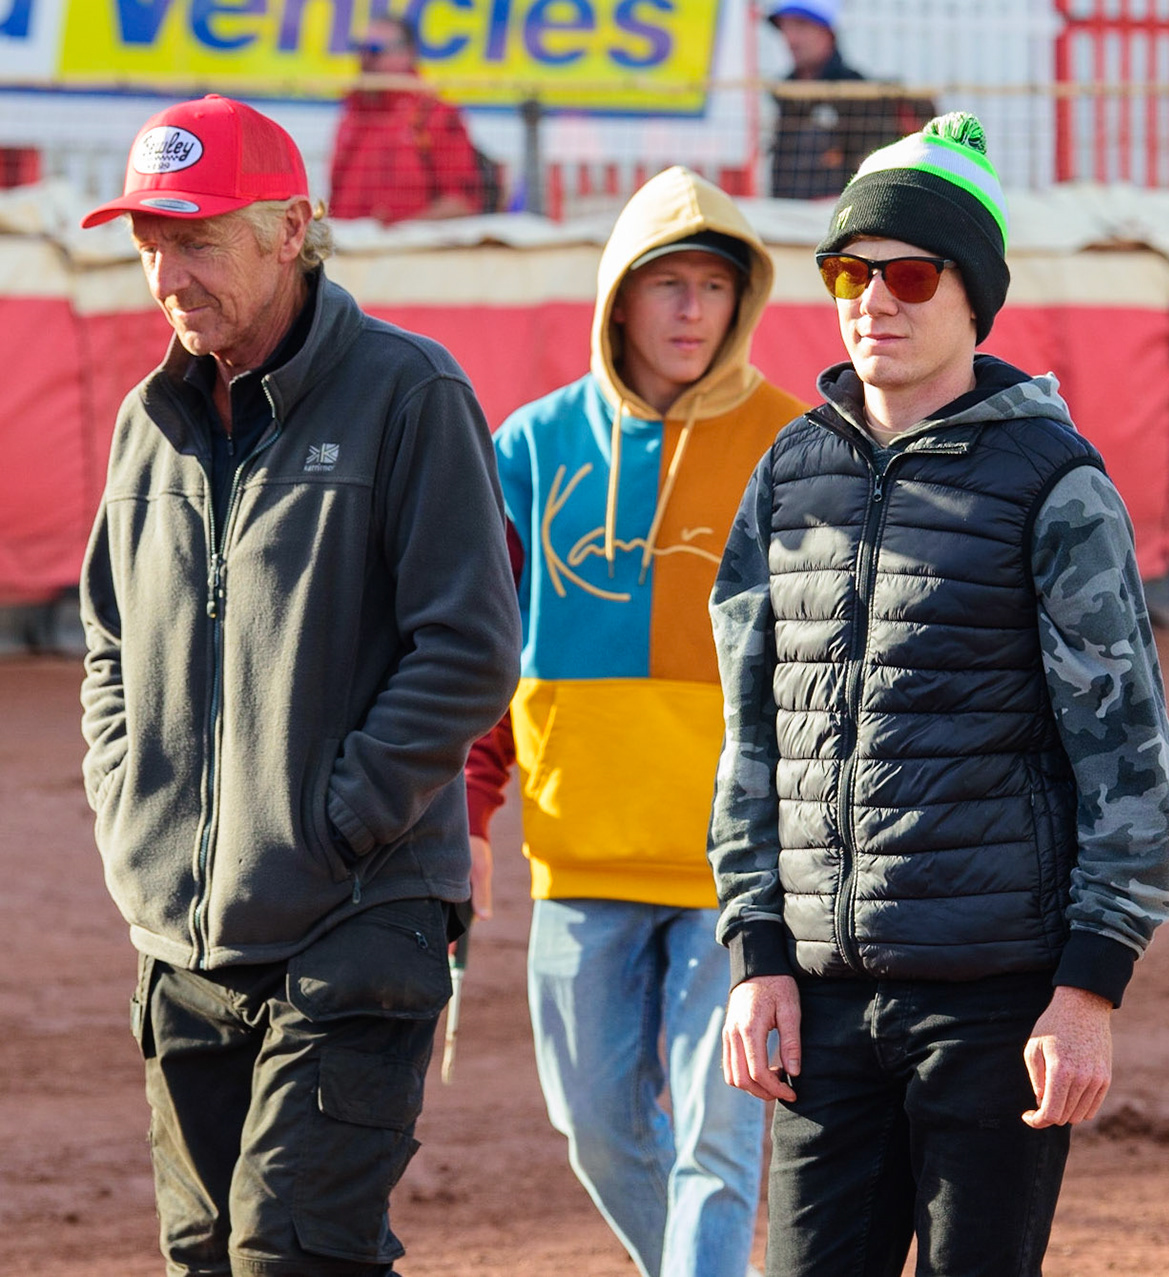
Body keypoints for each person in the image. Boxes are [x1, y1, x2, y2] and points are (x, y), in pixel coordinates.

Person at [708, 112, 1169, 1274]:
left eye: (910, 274)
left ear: (975, 300)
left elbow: (1126, 756)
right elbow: (749, 735)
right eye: (848, 272)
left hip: (995, 1004)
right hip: (818, 998)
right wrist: (754, 947)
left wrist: (1088, 990)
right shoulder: (789, 471)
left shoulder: (1053, 482)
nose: (875, 298)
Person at [76, 94, 519, 1275]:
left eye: (197, 237)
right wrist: (134, 815)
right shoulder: (145, 425)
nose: (168, 272)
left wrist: (340, 819)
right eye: (149, 242)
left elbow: (471, 643)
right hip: (183, 933)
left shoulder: (408, 394)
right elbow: (109, 643)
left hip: (357, 913)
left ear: (291, 230)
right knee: (208, 1254)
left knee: (294, 1254)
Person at [462, 165, 805, 1277]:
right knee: (597, 1130)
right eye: (670, 284)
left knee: (722, 1133)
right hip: (581, 857)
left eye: (715, 284)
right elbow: (479, 647)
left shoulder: (793, 442)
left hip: (736, 872)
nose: (694, 310)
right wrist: (468, 813)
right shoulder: (528, 445)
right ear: (621, 297)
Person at [767, 0, 932, 199]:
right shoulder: (784, 93)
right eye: (785, 27)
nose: (791, 38)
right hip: (783, 218)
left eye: (801, 26)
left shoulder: (861, 95)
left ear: (828, 31)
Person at [328, 14, 485, 223]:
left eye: (375, 50)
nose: (365, 58)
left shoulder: (434, 115)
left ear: (407, 54)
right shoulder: (353, 114)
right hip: (348, 246)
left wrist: (398, 234)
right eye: (360, 48)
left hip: (410, 249)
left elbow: (461, 202)